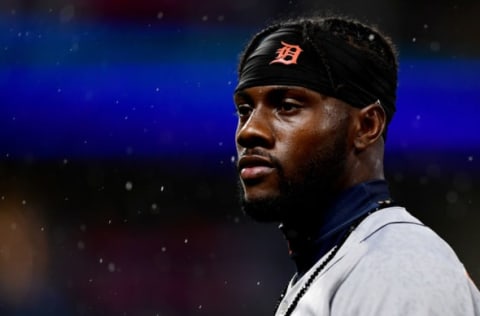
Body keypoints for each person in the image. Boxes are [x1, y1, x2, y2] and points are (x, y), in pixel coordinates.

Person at [232, 14, 480, 315]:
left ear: (366, 126)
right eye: (245, 110)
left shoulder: (400, 267)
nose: (248, 130)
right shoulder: (347, 261)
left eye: (287, 107)